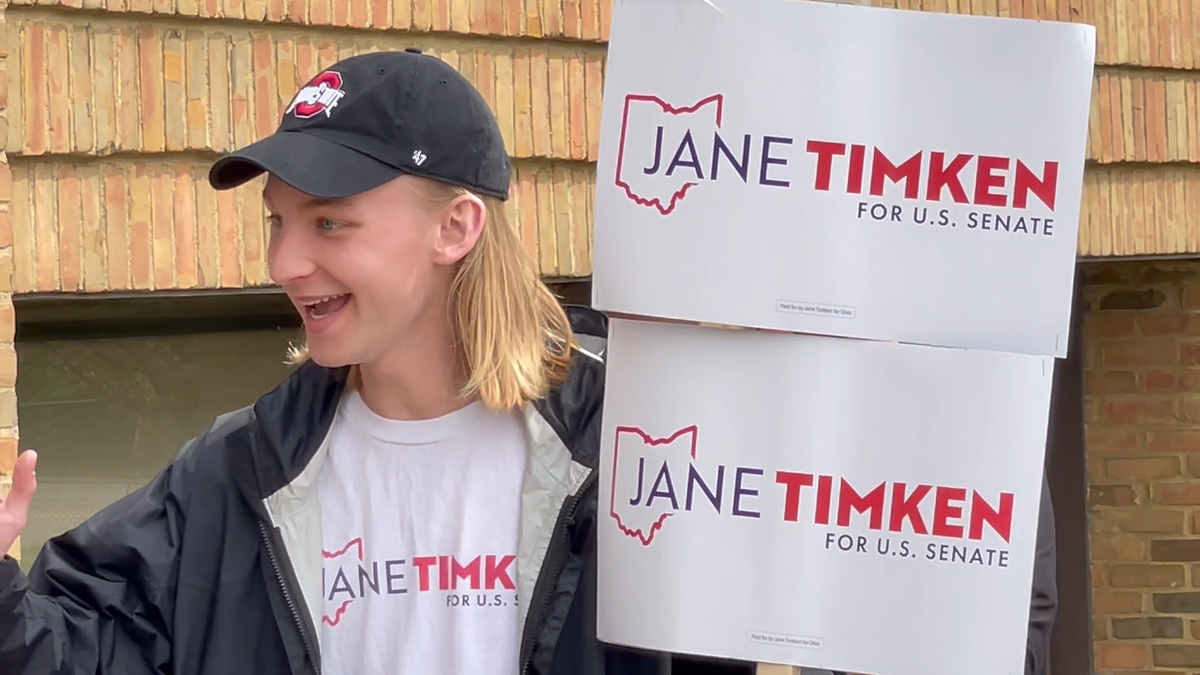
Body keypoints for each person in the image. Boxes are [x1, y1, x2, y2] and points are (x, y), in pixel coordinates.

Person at [0, 50, 1057, 675]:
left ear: (457, 225)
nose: (286, 261)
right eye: (278, 223)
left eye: (330, 224)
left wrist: (914, 407)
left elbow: (934, 599)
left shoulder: (649, 439)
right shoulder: (238, 476)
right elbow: (71, 647)